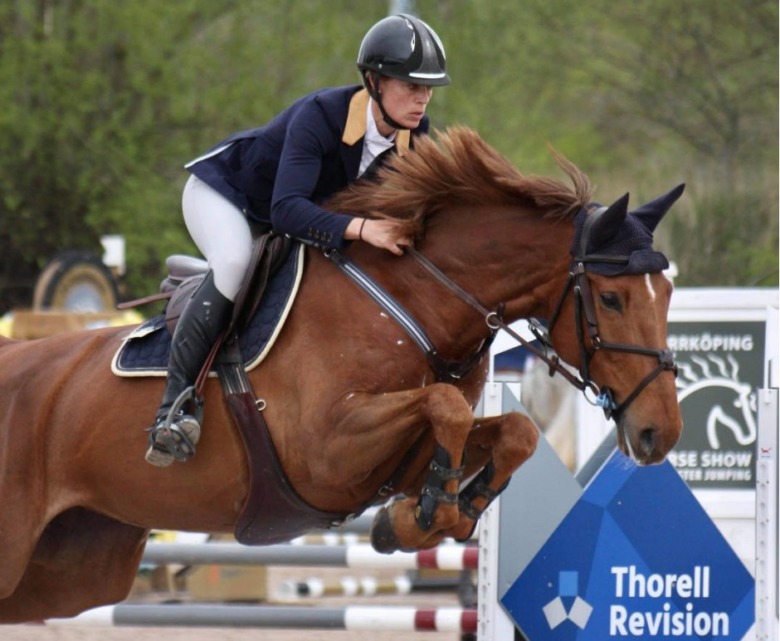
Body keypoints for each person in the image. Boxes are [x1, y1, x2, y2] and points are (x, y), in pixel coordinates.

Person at [145, 13, 450, 467]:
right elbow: (286, 210)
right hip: (227, 196)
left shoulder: (415, 136)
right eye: (411, 86)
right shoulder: (321, 116)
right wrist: (363, 228)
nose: (422, 98)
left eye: (428, 89)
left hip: (288, 216)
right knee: (233, 263)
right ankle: (173, 410)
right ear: (374, 82)